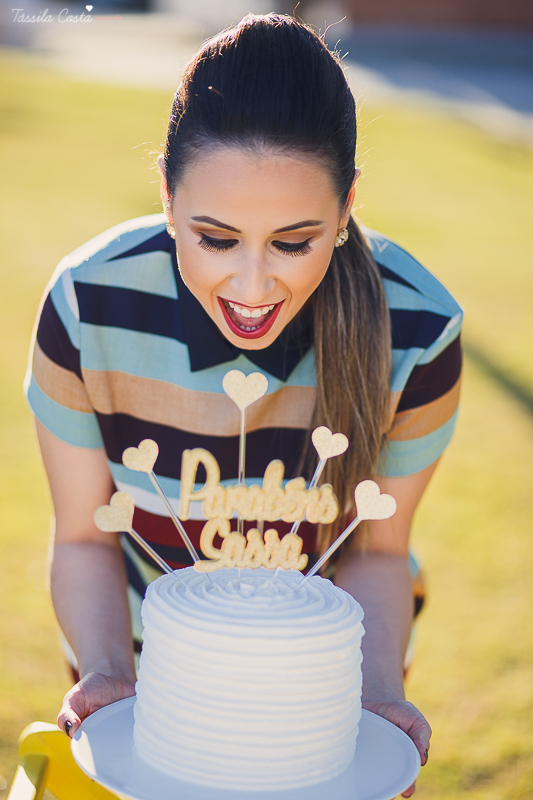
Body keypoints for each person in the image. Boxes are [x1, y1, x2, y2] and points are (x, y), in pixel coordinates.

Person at [25, 14, 462, 798]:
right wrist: (107, 677)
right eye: (215, 238)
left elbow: (378, 552)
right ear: (166, 194)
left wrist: (373, 704)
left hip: (321, 712)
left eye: (294, 242)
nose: (253, 289)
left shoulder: (419, 329)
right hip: (140, 689)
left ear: (347, 204)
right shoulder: (87, 306)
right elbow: (86, 539)